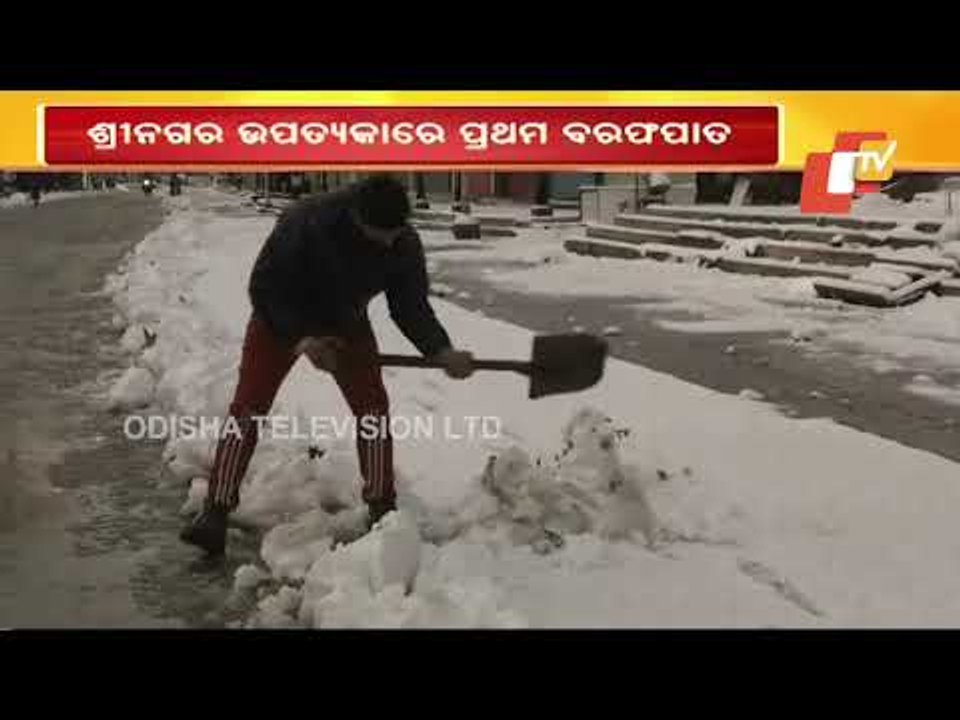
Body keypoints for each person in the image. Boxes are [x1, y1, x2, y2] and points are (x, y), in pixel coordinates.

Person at [180, 175, 475, 556]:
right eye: (378, 235)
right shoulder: (306, 222)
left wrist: (440, 349)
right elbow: (264, 287)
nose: (387, 242)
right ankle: (215, 512)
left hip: (346, 323)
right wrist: (303, 340)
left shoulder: (402, 241)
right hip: (280, 321)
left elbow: (409, 307)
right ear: (356, 218)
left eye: (394, 234)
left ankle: (382, 507)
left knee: (373, 410)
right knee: (249, 408)